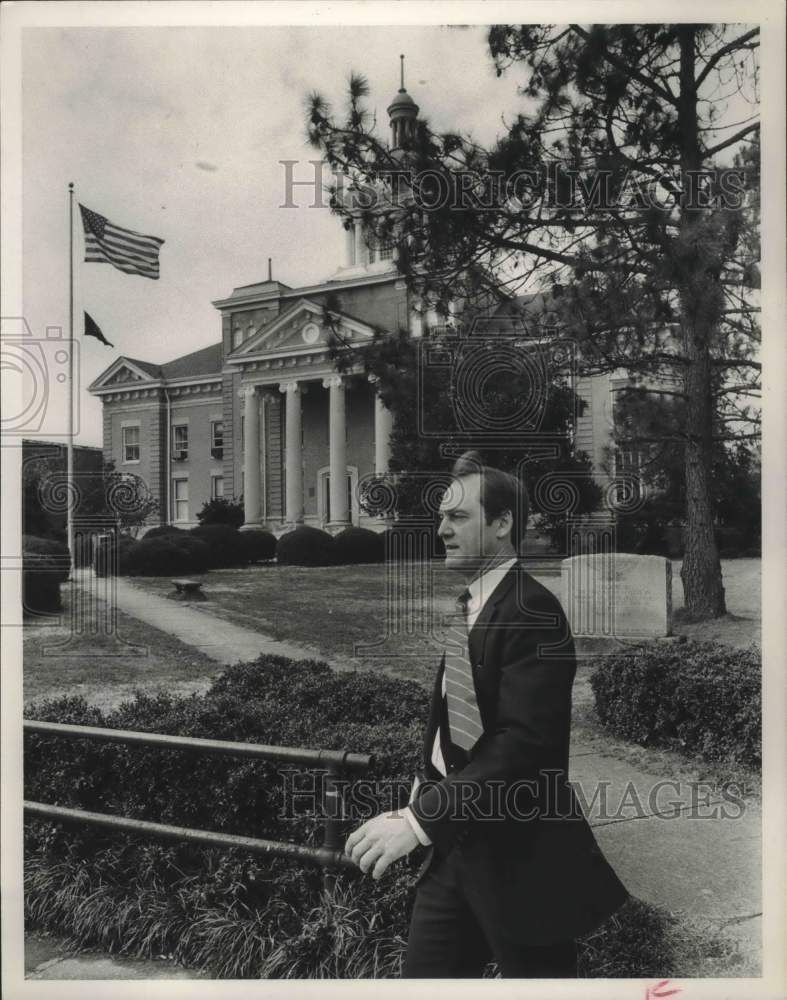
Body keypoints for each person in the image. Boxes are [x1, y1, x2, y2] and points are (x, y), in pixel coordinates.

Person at [345, 451, 629, 978]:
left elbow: (524, 744)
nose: (442, 529)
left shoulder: (533, 610)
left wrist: (420, 820)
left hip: (520, 860)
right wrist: (421, 793)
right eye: (440, 517)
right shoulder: (475, 604)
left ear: (502, 525)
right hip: (453, 848)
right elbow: (458, 719)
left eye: (458, 518)